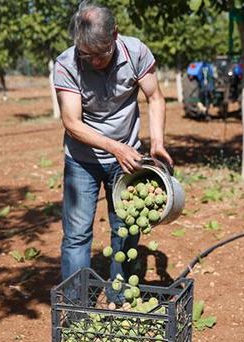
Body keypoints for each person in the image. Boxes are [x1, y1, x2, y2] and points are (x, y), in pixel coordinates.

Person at [54, 1, 172, 285]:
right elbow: (71, 124)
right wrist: (116, 148)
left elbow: (154, 98)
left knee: (126, 226)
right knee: (77, 233)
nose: (93, 61)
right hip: (83, 160)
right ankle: (76, 305)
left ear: (115, 34)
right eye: (87, 54)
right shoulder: (67, 64)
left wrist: (156, 142)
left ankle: (121, 295)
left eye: (101, 53)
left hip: (128, 156)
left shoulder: (136, 53)